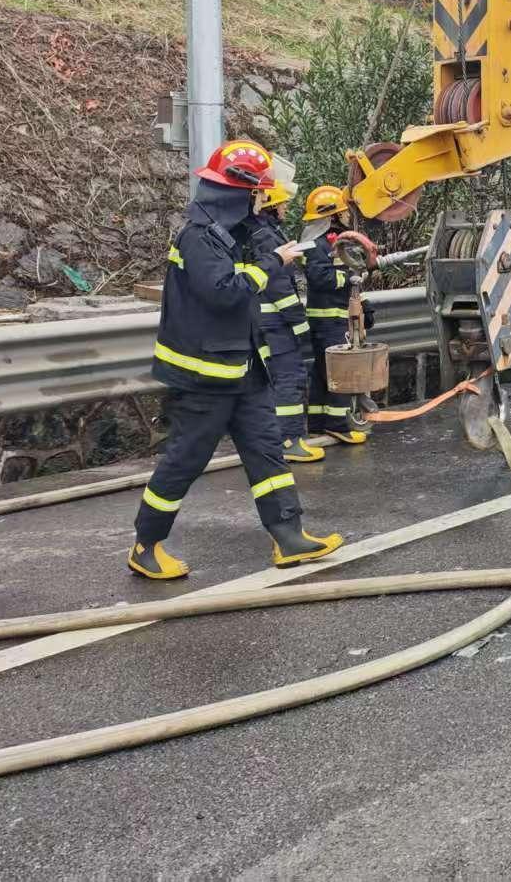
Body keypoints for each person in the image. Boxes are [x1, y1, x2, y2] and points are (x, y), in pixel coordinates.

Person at [129, 141, 344, 580]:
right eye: (255, 196)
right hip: (204, 380)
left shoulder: (226, 235)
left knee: (267, 453)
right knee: (184, 462)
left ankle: (289, 536)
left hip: (245, 373)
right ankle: (145, 546)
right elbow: (225, 292)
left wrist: (267, 244)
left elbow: (241, 273)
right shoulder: (198, 238)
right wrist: (273, 262)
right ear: (235, 194)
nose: (259, 205)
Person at [251, 179, 324, 465]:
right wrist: (300, 324)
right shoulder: (266, 238)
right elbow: (279, 286)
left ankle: (277, 439)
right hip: (276, 326)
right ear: (270, 205)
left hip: (268, 324)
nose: (285, 208)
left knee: (278, 380)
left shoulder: (262, 233)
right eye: (282, 204)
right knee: (289, 379)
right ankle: (288, 441)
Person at [301, 185, 370, 446]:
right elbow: (320, 277)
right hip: (330, 321)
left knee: (323, 372)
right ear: (333, 215)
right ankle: (338, 424)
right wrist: (348, 276)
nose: (347, 215)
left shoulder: (330, 242)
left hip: (328, 320)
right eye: (343, 211)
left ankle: (318, 423)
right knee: (341, 372)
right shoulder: (319, 245)